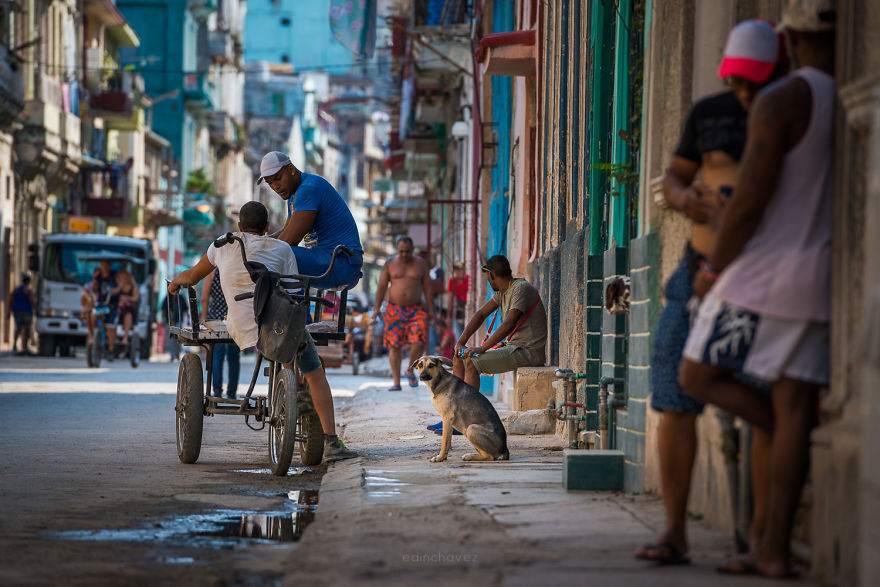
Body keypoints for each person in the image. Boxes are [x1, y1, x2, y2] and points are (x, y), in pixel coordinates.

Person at [678, 1, 835, 578]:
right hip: (818, 279)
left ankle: (770, 537)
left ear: (790, 39)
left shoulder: (782, 99)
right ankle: (772, 549)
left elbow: (749, 202)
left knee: (695, 374)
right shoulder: (836, 96)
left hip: (759, 278)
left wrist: (714, 270)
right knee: (794, 408)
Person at [635, 19, 785, 566]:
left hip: (760, 278)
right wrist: (684, 200)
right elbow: (674, 177)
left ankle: (763, 537)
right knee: (674, 396)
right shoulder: (710, 113)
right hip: (695, 274)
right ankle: (675, 532)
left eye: (756, 82)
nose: (746, 93)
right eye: (738, 82)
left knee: (761, 401)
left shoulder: (788, 112)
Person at [168, 201, 357, 462]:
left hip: (241, 327)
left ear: (240, 226)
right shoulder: (282, 248)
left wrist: (176, 283)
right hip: (279, 327)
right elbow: (293, 294)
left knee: (285, 348)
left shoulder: (223, 244)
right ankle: (331, 442)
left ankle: (290, 391)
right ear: (268, 227)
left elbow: (192, 277)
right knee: (315, 371)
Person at [257, 151, 364, 290]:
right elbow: (285, 231)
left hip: (341, 263)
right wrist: (258, 243)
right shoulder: (293, 195)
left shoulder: (308, 188)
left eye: (278, 178)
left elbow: (289, 241)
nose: (275, 186)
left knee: (276, 254)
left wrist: (258, 250)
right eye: (270, 183)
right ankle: (299, 311)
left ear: (291, 169)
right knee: (271, 254)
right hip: (328, 260)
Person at [454, 254, 547, 389]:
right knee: (458, 357)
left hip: (528, 351)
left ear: (492, 275)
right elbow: (480, 314)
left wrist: (482, 348)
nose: (489, 281)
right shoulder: (503, 292)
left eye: (488, 277)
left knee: (472, 363)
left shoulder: (520, 288)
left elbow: (509, 323)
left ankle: (469, 408)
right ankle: (457, 403)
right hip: (514, 348)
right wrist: (460, 342)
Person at [372, 236, 435, 391]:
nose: (404, 254)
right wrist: (376, 309)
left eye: (407, 251)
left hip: (416, 309)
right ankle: (396, 382)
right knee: (394, 346)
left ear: (412, 250)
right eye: (401, 251)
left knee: (419, 341)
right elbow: (381, 287)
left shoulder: (421, 264)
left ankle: (409, 369)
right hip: (394, 309)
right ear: (397, 249)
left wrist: (432, 310)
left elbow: (427, 288)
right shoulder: (390, 264)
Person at [200, 268, 239, 399]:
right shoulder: (236, 268)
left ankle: (217, 392)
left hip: (216, 319)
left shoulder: (212, 272)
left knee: (217, 355)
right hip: (234, 318)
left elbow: (204, 298)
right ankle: (232, 393)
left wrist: (204, 320)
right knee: (234, 356)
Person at [83, 260, 118, 357]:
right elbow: (94, 290)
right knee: (92, 315)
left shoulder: (114, 276)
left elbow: (118, 287)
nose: (104, 267)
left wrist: (114, 291)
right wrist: (95, 278)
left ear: (109, 265)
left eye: (106, 265)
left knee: (110, 327)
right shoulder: (98, 277)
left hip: (112, 305)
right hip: (101, 304)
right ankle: (92, 335)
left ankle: (111, 349)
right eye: (102, 265)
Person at [112, 269, 140, 350]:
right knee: (114, 314)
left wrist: (127, 298)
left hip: (129, 309)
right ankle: (113, 336)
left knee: (128, 315)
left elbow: (135, 298)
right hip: (118, 310)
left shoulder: (133, 287)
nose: (124, 279)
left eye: (125, 277)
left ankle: (125, 338)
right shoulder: (117, 288)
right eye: (122, 278)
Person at [7, 273, 35, 355]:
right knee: (27, 329)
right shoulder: (28, 290)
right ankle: (25, 347)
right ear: (29, 281)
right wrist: (35, 309)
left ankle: (14, 346)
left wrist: (9, 311)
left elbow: (10, 299)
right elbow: (31, 301)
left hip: (17, 311)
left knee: (18, 328)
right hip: (26, 312)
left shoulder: (16, 289)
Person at [447, 261, 468, 340]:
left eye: (461, 270)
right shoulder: (452, 281)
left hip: (468, 308)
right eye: (457, 270)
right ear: (454, 271)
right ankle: (460, 351)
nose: (460, 272)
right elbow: (450, 298)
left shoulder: (469, 279)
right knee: (459, 335)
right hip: (459, 309)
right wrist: (448, 316)